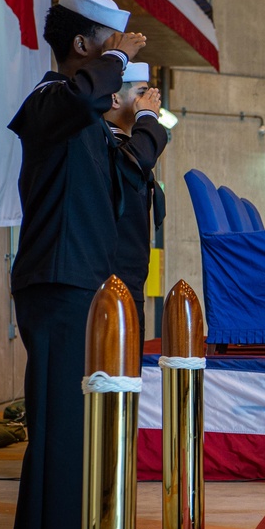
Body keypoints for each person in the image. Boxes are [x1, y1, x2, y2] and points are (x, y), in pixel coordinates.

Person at [4, 0, 146, 529]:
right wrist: (120, 59)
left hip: (77, 286)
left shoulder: (78, 112)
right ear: (83, 46)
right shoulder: (50, 99)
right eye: (109, 46)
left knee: (70, 438)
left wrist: (143, 120)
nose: (118, 61)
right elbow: (87, 92)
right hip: (58, 287)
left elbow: (120, 185)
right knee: (60, 437)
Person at [103, 61, 169, 354]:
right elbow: (135, 162)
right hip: (112, 276)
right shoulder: (103, 142)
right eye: (141, 93)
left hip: (130, 275)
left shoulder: (128, 142)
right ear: (115, 98)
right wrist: (146, 117)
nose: (150, 101)